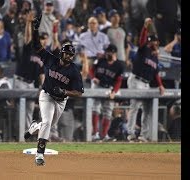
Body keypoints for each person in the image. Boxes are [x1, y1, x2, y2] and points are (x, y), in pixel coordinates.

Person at [24, 15, 84, 166]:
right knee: (47, 122)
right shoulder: (51, 59)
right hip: (46, 95)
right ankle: (39, 155)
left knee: (47, 125)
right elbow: (36, 46)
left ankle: (34, 127)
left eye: (71, 54)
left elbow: (79, 92)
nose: (69, 56)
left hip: (61, 101)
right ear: (61, 53)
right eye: (67, 53)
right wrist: (35, 29)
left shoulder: (74, 71)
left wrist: (65, 92)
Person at [126, 18, 165, 142]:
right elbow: (142, 40)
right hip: (136, 80)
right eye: (155, 42)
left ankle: (143, 135)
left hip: (146, 84)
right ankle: (131, 134)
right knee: (135, 107)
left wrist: (160, 85)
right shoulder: (144, 49)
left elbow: (156, 73)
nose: (157, 44)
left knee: (147, 109)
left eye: (157, 42)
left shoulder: (155, 58)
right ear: (150, 42)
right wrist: (145, 27)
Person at [90, 44, 125, 141]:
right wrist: (93, 78)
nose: (107, 53)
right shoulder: (100, 60)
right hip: (97, 85)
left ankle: (104, 135)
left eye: (109, 52)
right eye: (107, 51)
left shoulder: (119, 65)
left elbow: (119, 80)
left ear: (114, 53)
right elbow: (92, 70)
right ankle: (95, 134)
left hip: (109, 88)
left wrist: (114, 92)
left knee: (108, 111)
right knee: (96, 109)